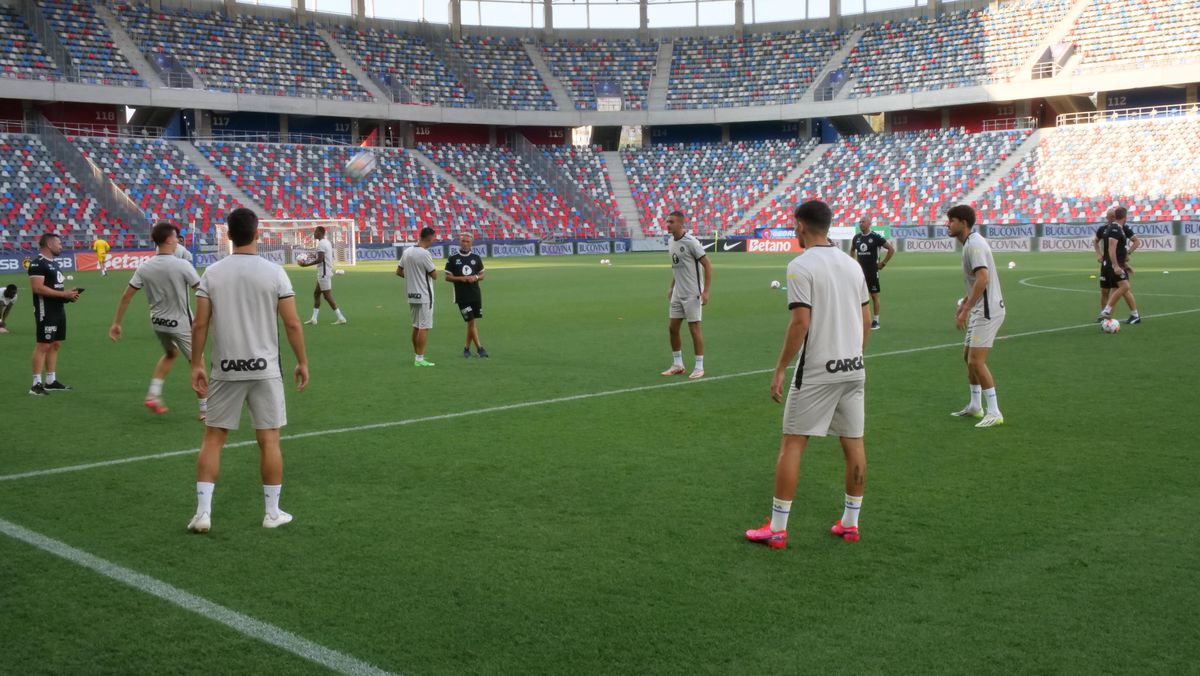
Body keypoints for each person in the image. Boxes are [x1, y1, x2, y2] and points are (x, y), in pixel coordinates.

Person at [745, 200, 871, 549]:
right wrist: (854, 355)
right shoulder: (852, 265)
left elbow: (801, 322)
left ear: (800, 225)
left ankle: (777, 528)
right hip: (853, 368)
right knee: (854, 443)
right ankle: (850, 524)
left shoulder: (801, 265)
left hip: (817, 369)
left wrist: (780, 368)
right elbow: (865, 320)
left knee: (793, 443)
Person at [187, 208, 309, 533]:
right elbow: (292, 323)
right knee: (269, 440)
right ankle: (272, 513)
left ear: (228, 235)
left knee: (213, 438)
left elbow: (200, 324)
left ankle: (203, 513)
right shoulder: (275, 273)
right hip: (265, 369)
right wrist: (302, 361)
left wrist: (196, 363)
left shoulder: (212, 273)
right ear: (258, 235)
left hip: (225, 369)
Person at [109, 221, 206, 419]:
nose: (178, 241)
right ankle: (206, 409)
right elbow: (202, 291)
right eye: (176, 237)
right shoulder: (182, 265)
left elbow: (126, 296)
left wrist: (116, 323)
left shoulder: (145, 266)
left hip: (158, 323)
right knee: (197, 363)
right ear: (169, 239)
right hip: (181, 323)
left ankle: (153, 394)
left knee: (171, 353)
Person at [948, 205, 1005, 428]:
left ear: (963, 223)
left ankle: (994, 411)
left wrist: (965, 309)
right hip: (981, 307)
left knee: (976, 361)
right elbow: (976, 282)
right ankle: (975, 406)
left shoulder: (974, 245)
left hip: (988, 310)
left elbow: (983, 278)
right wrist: (966, 302)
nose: (948, 225)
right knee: (968, 357)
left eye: (951, 220)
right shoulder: (971, 243)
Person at [660, 211, 712, 380]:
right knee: (672, 328)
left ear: (681, 224)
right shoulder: (670, 242)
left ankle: (699, 366)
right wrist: (671, 287)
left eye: (671, 222)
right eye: (667, 221)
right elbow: (677, 267)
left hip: (692, 292)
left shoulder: (692, 242)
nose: (668, 224)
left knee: (694, 329)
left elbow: (708, 265)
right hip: (678, 291)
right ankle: (678, 364)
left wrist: (706, 291)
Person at [28, 233, 80, 396]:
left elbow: (55, 289)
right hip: (46, 310)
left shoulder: (54, 264)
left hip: (58, 309)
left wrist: (68, 296)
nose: (61, 246)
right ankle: (36, 384)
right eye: (59, 243)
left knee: (56, 344)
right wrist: (64, 294)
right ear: (49, 245)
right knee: (43, 344)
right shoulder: (37, 264)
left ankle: (50, 381)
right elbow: (37, 288)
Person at [397, 227, 438, 367]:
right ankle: (419, 359)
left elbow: (399, 271)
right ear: (429, 237)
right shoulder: (425, 254)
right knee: (424, 327)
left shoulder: (407, 251)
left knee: (416, 326)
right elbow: (434, 275)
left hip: (411, 293)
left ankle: (417, 355)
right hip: (425, 295)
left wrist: (412, 278)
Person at [443, 232, 488, 358]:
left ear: (471, 243)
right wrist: (461, 278)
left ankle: (466, 349)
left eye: (467, 241)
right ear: (459, 242)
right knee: (471, 321)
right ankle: (480, 349)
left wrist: (476, 277)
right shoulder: (453, 258)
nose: (465, 244)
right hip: (462, 296)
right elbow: (447, 277)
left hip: (475, 294)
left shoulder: (476, 257)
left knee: (471, 323)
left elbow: (482, 275)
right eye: (463, 241)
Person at [1098, 207, 1141, 325]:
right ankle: (1107, 311)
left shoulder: (1119, 228)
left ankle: (1108, 316)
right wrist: (1116, 266)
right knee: (1124, 287)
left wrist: (1125, 263)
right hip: (1114, 265)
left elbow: (1118, 249)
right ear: (1125, 217)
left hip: (1116, 264)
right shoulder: (1115, 229)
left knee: (1118, 288)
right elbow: (1112, 249)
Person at [850, 216, 894, 330]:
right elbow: (852, 250)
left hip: (872, 272)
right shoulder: (856, 238)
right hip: (859, 272)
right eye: (860, 222)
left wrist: (883, 263)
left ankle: (876, 321)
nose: (861, 224)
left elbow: (891, 249)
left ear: (869, 223)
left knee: (874, 296)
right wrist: (852, 262)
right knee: (858, 296)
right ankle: (860, 319)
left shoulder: (875, 237)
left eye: (863, 222)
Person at [299, 225, 347, 326]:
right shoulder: (326, 242)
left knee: (327, 296)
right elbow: (321, 256)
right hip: (324, 272)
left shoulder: (321, 243)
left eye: (316, 231)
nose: (314, 233)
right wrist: (312, 255)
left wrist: (306, 265)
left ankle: (341, 317)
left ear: (320, 233)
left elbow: (320, 259)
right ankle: (314, 319)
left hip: (324, 273)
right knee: (316, 294)